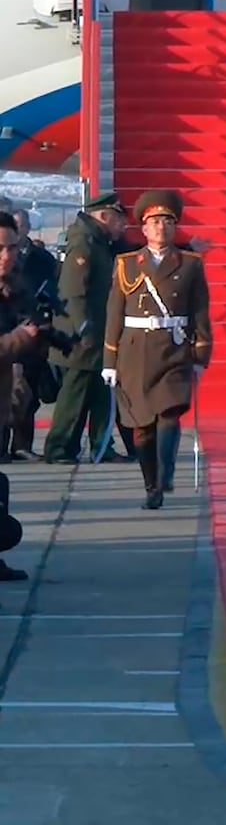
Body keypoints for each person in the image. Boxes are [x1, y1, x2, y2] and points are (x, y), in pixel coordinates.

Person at [101, 191, 213, 510]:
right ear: (144, 229)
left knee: (169, 413)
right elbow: (114, 314)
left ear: (174, 227)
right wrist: (109, 359)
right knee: (142, 427)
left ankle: (165, 473)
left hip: (174, 349)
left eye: (166, 221)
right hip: (135, 352)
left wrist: (201, 354)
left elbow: (200, 311)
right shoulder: (125, 264)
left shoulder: (190, 264)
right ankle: (151, 484)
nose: (160, 227)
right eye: (154, 222)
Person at [42, 193, 124, 464]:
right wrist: (85, 329)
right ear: (104, 216)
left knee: (100, 392)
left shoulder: (99, 242)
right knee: (74, 396)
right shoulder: (83, 244)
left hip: (96, 335)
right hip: (79, 338)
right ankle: (58, 448)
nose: (122, 227)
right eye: (118, 220)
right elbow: (73, 292)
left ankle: (102, 444)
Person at [0, 211, 49, 583]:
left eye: (11, 247)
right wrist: (19, 337)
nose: (6, 255)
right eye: (0, 248)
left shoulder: (14, 288)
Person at [8, 209, 57, 462]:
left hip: (32, 333)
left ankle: (21, 445)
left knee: (26, 394)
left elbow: (54, 287)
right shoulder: (5, 256)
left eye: (20, 225)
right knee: (8, 392)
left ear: (28, 227)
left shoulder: (42, 258)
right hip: (8, 331)